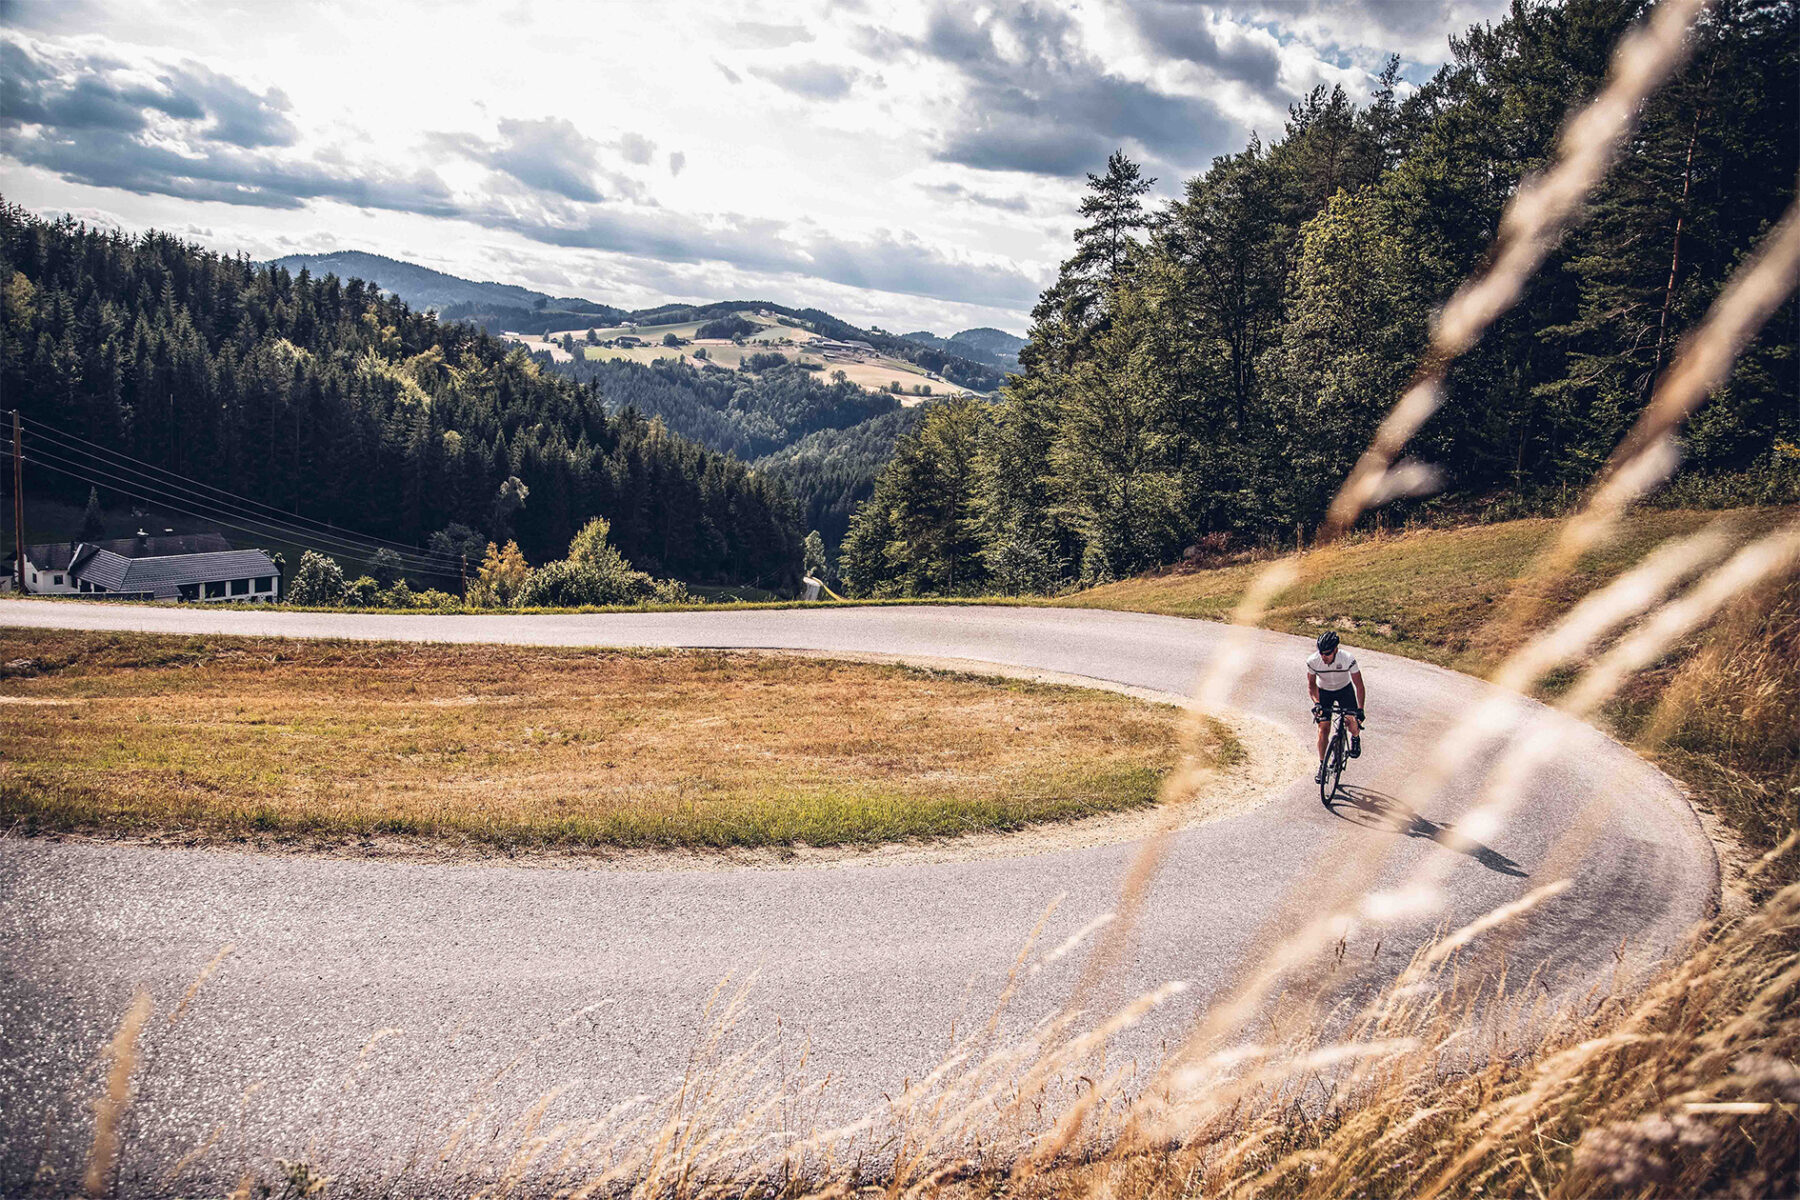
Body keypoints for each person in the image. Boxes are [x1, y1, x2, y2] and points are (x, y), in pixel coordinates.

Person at [1307, 631, 1365, 784]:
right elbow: (1312, 686)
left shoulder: (1347, 659)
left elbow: (1359, 685)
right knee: (1323, 728)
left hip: (1344, 690)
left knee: (1351, 721)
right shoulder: (1313, 661)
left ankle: (1355, 737)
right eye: (1321, 653)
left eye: (1327, 653)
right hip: (1324, 692)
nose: (1323, 657)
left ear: (1335, 650)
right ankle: (1322, 765)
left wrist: (1360, 709)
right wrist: (1317, 703)